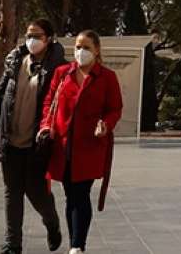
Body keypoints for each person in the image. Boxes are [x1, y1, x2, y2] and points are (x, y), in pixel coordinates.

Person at [0, 19, 66, 254]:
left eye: (37, 35)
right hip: (10, 139)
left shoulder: (60, 69)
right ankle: (12, 244)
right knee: (12, 192)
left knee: (37, 193)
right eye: (28, 34)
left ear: (49, 39)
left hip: (37, 143)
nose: (31, 39)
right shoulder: (15, 62)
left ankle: (52, 223)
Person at [39, 31, 122, 254]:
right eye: (77, 46)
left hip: (90, 147)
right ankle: (76, 244)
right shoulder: (62, 73)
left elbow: (115, 108)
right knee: (70, 196)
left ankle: (77, 246)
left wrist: (106, 124)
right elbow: (49, 103)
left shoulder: (107, 77)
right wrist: (46, 126)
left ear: (97, 50)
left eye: (86, 47)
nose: (80, 51)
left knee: (80, 194)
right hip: (62, 146)